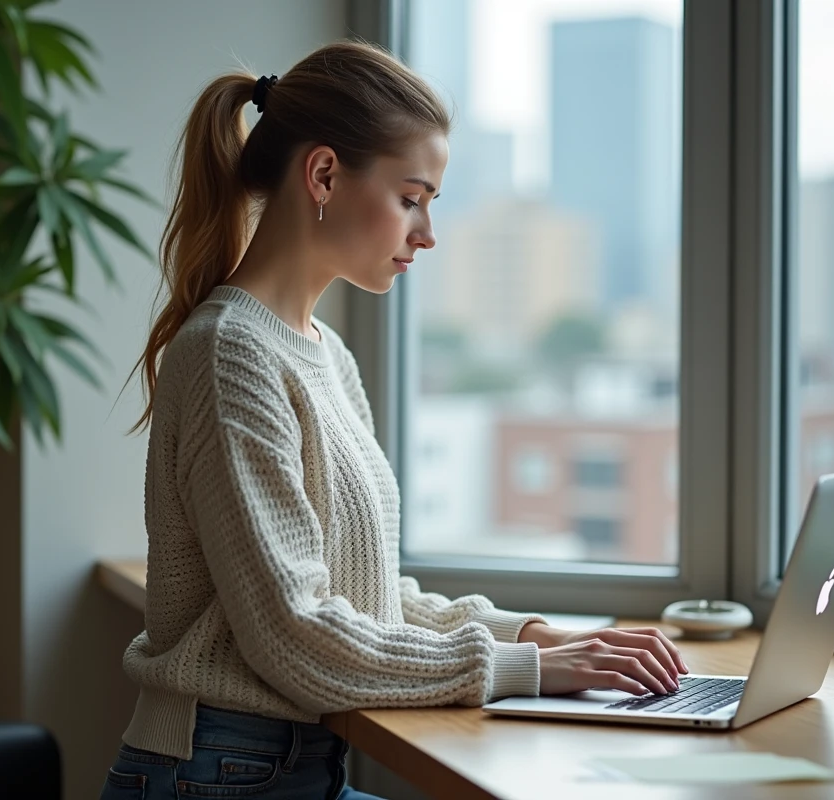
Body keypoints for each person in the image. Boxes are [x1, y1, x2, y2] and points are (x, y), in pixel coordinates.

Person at [100, 40, 690, 800]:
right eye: (412, 198)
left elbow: (365, 599)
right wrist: (530, 669)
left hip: (283, 768)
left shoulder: (325, 356)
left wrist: (535, 636)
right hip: (216, 774)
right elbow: (296, 634)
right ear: (323, 175)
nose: (427, 232)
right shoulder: (231, 354)